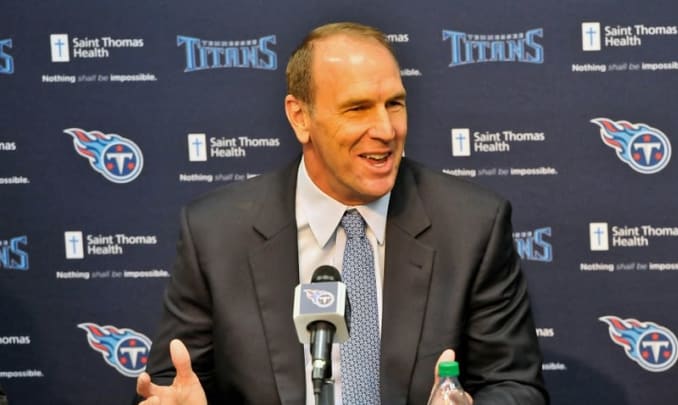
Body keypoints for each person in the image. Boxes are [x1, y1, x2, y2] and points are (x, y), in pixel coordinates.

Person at [136, 22, 548, 405]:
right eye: (357, 109)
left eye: (395, 104)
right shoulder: (215, 234)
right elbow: (173, 388)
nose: (386, 130)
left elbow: (515, 385)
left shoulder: (472, 225)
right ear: (301, 117)